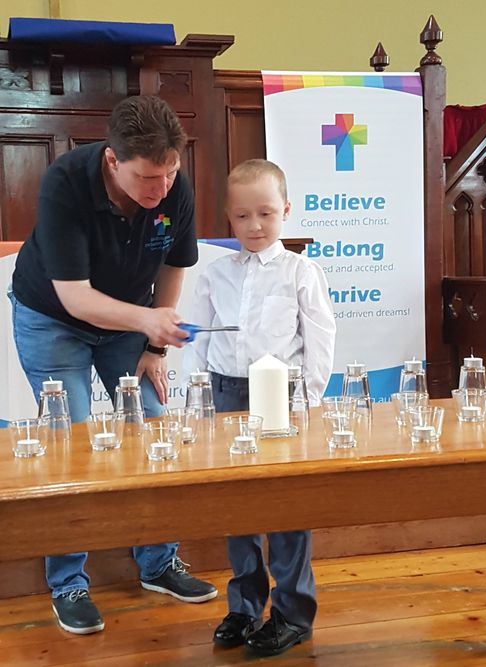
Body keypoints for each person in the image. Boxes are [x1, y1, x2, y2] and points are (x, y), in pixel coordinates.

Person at [8, 95, 217, 635]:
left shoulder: (176, 185)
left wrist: (154, 346)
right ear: (112, 162)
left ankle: (158, 563)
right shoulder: (66, 183)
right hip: (53, 316)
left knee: (151, 428)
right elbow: (75, 299)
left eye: (170, 173)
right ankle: (69, 582)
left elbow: (173, 267)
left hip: (130, 323)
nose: (162, 190)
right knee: (69, 438)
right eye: (149, 178)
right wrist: (146, 322)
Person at [184, 159, 336, 657]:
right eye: (243, 216)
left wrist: (308, 400)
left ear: (286, 212)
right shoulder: (215, 273)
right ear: (229, 216)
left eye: (266, 214)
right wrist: (199, 397)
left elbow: (319, 339)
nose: (254, 226)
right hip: (227, 393)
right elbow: (200, 338)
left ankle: (293, 613)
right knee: (237, 505)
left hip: (283, 399)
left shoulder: (301, 271)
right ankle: (245, 604)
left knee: (286, 507)